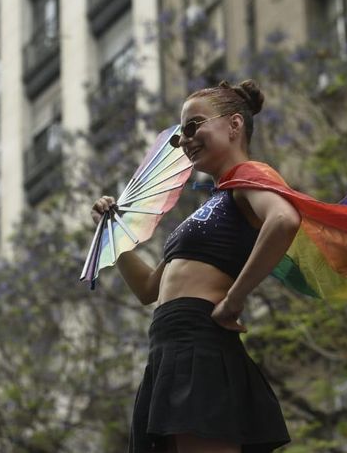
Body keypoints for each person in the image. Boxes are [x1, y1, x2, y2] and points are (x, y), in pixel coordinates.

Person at [91, 80, 296, 453]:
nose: (185, 140)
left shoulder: (249, 176)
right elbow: (148, 289)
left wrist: (234, 300)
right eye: (179, 134)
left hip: (201, 347)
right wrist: (113, 236)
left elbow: (283, 221)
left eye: (193, 126)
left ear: (234, 125)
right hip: (169, 351)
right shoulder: (211, 202)